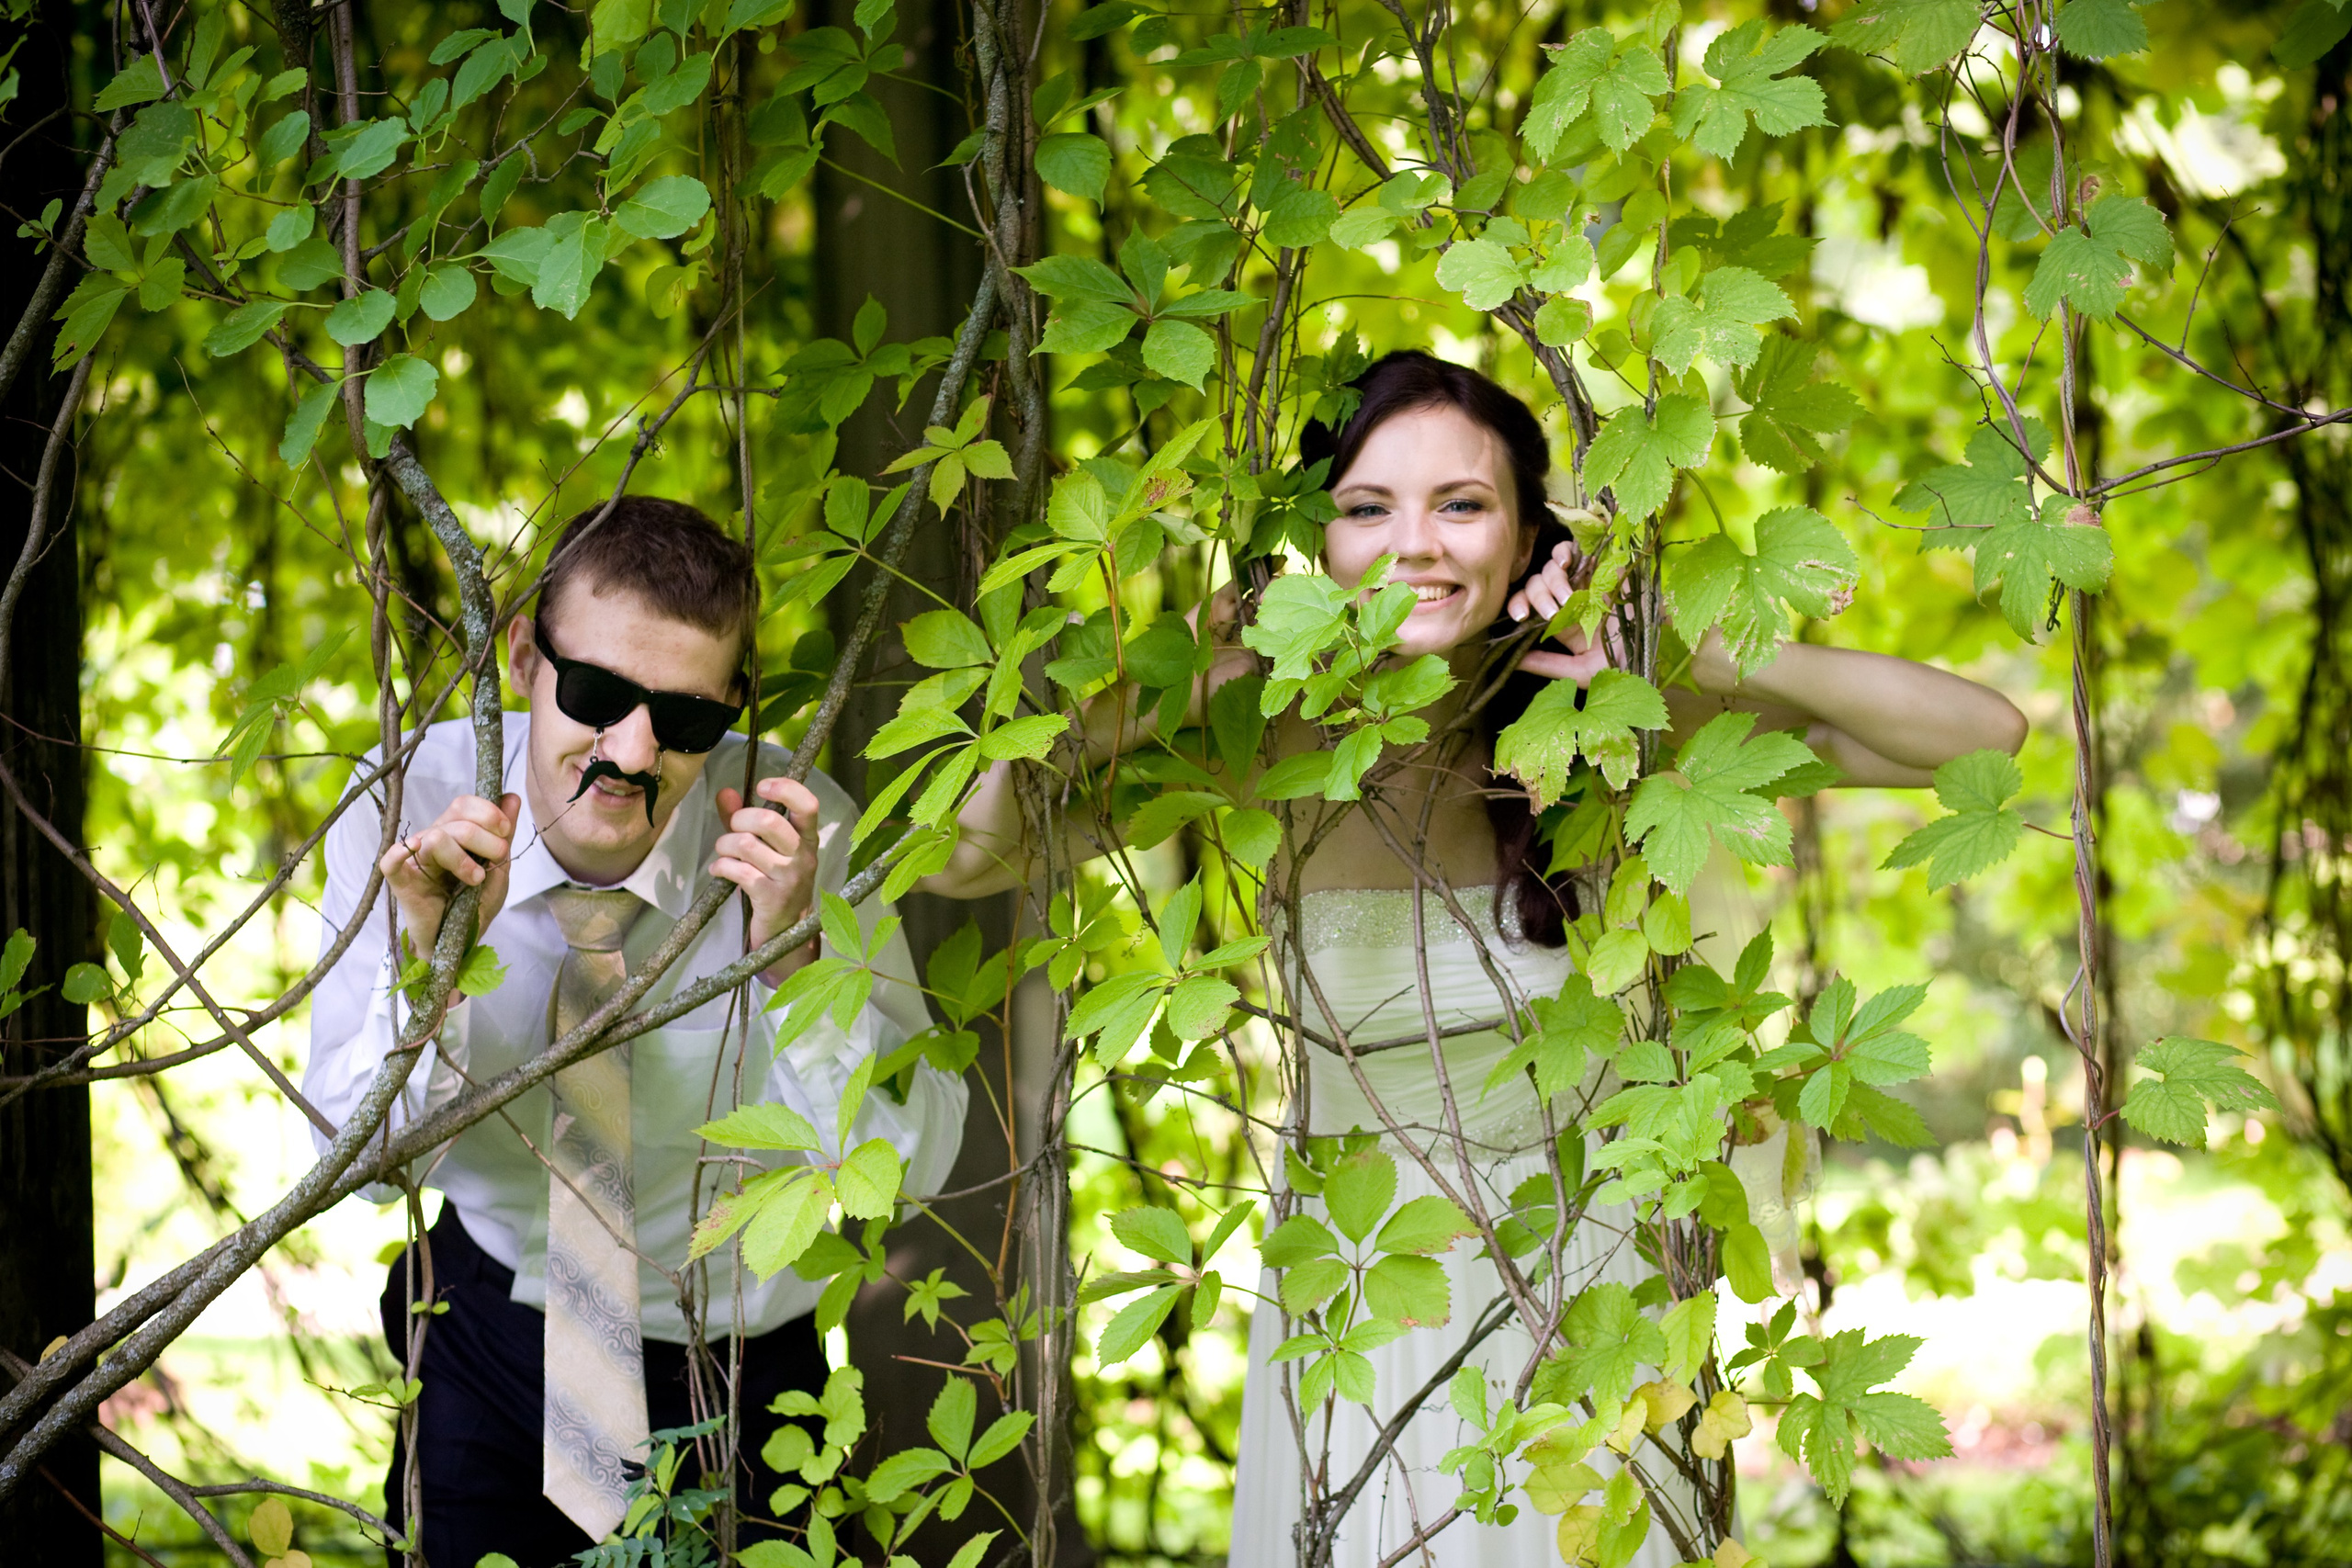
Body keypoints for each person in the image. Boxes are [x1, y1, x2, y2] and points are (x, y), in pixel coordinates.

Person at [922, 351, 2026, 1565]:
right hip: (1360, 1289)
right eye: (1366, 507)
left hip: (1587, 1295)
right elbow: (969, 856)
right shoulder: (1261, 735)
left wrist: (1688, 651)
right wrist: (1159, 681)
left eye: (1462, 503)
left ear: (1525, 531)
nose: (1418, 544)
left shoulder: (1612, 713)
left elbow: (1984, 736)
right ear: (1318, 539)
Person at [304, 496, 967, 1567]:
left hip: (742, 1373)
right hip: (492, 1338)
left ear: (735, 707)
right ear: (524, 655)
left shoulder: (804, 832)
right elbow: (356, 1163)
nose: (634, 750)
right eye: (600, 694)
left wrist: (793, 955)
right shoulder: (404, 805)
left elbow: (905, 1170)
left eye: (686, 718)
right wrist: (431, 969)